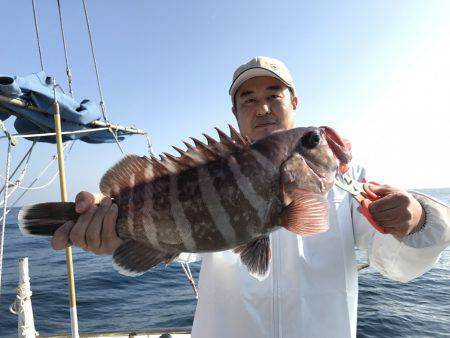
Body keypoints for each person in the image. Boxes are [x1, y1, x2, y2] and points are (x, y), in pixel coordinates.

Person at [51, 56, 450, 338]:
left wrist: (416, 220)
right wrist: (115, 231)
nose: (262, 107)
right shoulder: (212, 169)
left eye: (274, 94)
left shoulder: (348, 183)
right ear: (235, 112)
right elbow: (187, 245)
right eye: (248, 99)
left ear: (294, 102)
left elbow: (397, 264)